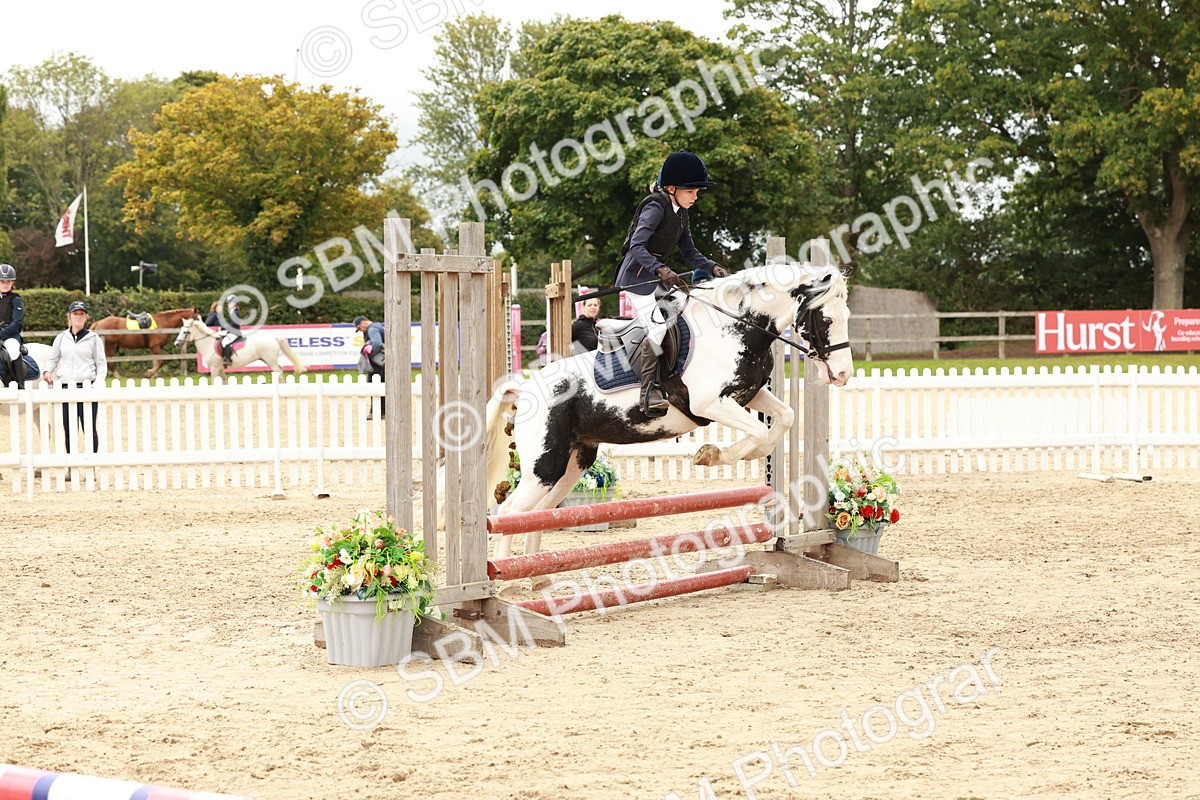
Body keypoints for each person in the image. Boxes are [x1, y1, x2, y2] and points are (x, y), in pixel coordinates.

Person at [614, 151, 729, 417]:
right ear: (673, 188)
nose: (695, 197)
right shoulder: (655, 207)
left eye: (697, 191)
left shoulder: (681, 213)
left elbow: (689, 251)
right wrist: (661, 268)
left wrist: (712, 266)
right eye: (692, 191)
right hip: (636, 279)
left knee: (684, 314)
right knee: (656, 326)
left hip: (656, 277)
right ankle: (648, 391)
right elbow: (636, 246)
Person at [42, 300, 107, 454]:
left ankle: (91, 465)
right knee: (69, 428)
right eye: (75, 314)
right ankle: (71, 467)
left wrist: (96, 384)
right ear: (69, 316)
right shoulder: (61, 337)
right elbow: (53, 359)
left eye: (81, 314)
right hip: (66, 387)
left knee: (89, 428)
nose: (78, 317)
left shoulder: (93, 339)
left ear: (86, 317)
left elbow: (101, 364)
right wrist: (47, 371)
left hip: (86, 387)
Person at [0, 263, 29, 385]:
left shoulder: (16, 299)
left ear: (13, 282)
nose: (5, 284)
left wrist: (1, 333)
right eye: (2, 281)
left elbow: (17, 322)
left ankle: (20, 383)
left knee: (12, 351)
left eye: (8, 281)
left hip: (10, 335)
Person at [354, 315, 386, 419]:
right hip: (383, 362)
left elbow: (377, 343)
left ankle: (375, 412)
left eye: (359, 328)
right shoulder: (378, 326)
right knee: (382, 386)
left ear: (363, 323)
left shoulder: (372, 329)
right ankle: (383, 412)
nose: (360, 331)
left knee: (374, 386)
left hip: (376, 363)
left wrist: (370, 354)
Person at [205, 296, 242, 367]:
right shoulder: (232, 311)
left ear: (234, 303)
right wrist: (222, 328)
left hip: (235, 332)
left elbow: (233, 324)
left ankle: (228, 360)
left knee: (224, 342)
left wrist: (224, 328)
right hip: (231, 331)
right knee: (221, 340)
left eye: (230, 303)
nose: (228, 304)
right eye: (228, 303)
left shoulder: (235, 312)